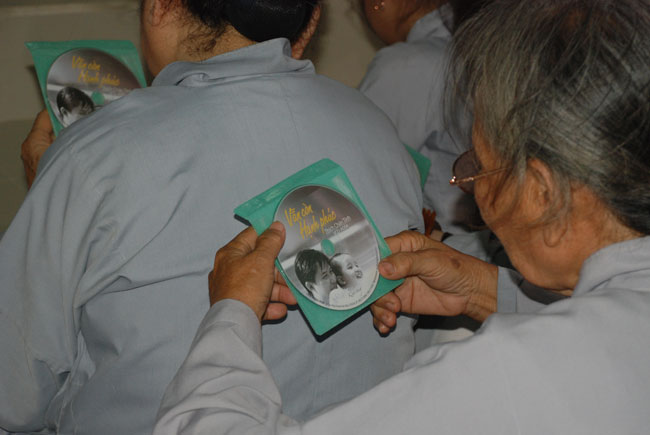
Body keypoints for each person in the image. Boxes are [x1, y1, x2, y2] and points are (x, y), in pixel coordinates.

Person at [153, 0, 650, 433]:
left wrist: (232, 311)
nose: (474, 193)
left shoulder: (512, 371)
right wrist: (481, 290)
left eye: (478, 169)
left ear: (542, 193)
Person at [0, 0, 424, 434]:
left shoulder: (95, 153)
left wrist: (51, 201)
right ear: (309, 22)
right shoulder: (380, 132)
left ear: (161, 6)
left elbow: (14, 394)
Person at [359, 0, 487, 233]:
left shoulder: (404, 65)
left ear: (378, 4)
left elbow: (359, 176)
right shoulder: (485, 44)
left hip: (455, 243)